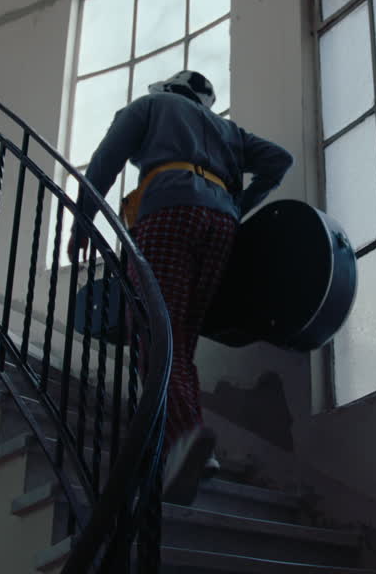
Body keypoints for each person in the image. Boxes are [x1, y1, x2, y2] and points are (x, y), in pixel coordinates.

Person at [69, 70, 292, 505]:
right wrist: (236, 205)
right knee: (180, 341)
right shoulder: (227, 130)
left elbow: (106, 159)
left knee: (153, 332)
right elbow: (279, 161)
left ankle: (182, 441)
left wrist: (81, 221)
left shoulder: (149, 107)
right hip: (220, 226)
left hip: (168, 212)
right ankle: (190, 442)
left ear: (168, 89)